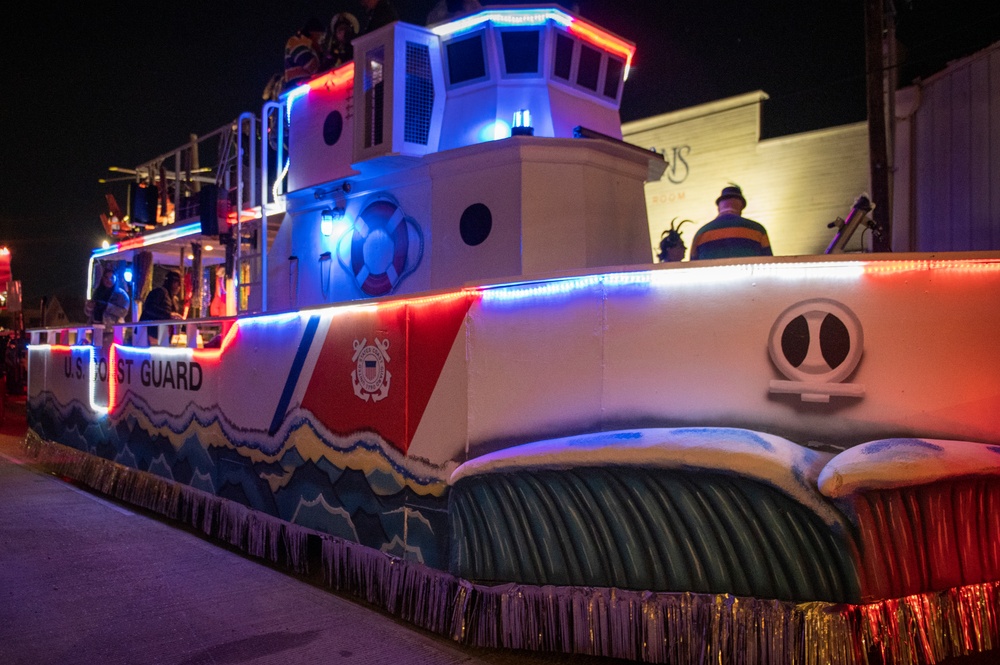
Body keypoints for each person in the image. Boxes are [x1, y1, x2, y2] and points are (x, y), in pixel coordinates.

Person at [688, 185, 773, 260]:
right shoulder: (758, 230)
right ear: (741, 207)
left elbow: (692, 269)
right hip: (750, 278)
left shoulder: (701, 234)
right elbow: (770, 265)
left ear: (719, 207)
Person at [140, 271, 184, 343]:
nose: (179, 287)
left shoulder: (171, 298)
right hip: (152, 332)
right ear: (173, 282)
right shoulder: (159, 292)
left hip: (161, 332)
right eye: (178, 284)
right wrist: (169, 314)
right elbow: (150, 308)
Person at [284, 17, 325, 89]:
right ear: (313, 33)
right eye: (321, 36)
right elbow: (310, 65)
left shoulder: (306, 44)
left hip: (303, 87)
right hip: (298, 88)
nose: (321, 40)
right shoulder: (297, 42)